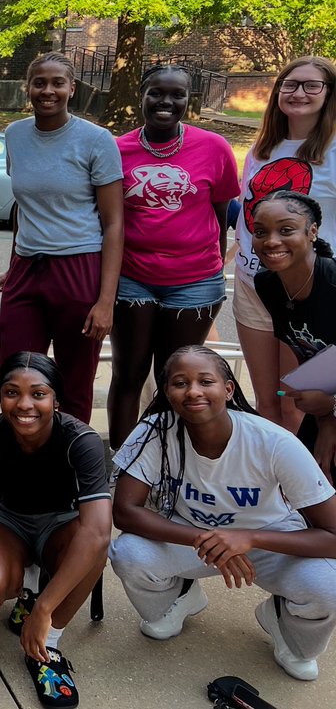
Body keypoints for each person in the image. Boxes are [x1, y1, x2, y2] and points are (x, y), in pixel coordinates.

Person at [110, 345, 336, 682]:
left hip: (270, 540)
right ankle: (180, 595)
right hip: (194, 537)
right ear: (168, 392)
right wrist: (211, 541)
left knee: (327, 588)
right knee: (128, 553)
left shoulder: (274, 442)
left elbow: (332, 535)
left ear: (228, 389)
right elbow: (125, 512)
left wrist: (248, 538)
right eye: (180, 383)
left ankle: (282, 620)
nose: (193, 391)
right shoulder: (155, 430)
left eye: (206, 381)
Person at [0, 352, 111, 708]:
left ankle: (48, 647)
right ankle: (27, 591)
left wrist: (45, 613)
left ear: (56, 400)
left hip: (62, 524)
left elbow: (97, 533)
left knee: (94, 549)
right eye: (11, 392)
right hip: (7, 519)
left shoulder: (82, 441)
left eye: (38, 393)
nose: (24, 404)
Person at [105, 65, 240, 449]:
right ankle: (123, 459)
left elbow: (220, 211)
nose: (166, 102)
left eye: (177, 95)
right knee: (128, 373)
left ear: (188, 100)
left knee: (176, 377)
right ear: (142, 96)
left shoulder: (214, 147)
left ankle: (165, 459)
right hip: (132, 276)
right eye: (156, 93)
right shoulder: (116, 150)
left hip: (195, 282)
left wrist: (214, 261)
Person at [0, 52, 123, 423]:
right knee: (17, 373)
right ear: (29, 88)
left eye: (57, 83)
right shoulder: (15, 134)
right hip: (27, 269)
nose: (48, 90)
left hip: (78, 267)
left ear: (72, 88)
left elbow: (114, 222)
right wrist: (12, 267)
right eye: (40, 82)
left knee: (74, 380)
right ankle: (18, 460)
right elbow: (24, 206)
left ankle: (74, 466)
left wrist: (105, 300)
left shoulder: (96, 140)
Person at [234, 56, 336, 430]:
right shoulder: (261, 151)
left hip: (309, 292)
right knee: (267, 403)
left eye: (312, 85)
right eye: (290, 85)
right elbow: (248, 219)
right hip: (254, 285)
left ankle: (303, 488)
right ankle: (272, 486)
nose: (299, 93)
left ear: (329, 94)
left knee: (298, 404)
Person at [250, 191, 336, 480]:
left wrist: (332, 410)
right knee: (310, 482)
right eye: (260, 232)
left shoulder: (332, 282)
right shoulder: (267, 284)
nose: (271, 241)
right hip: (326, 407)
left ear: (312, 232)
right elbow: (314, 360)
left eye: (286, 230)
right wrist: (325, 417)